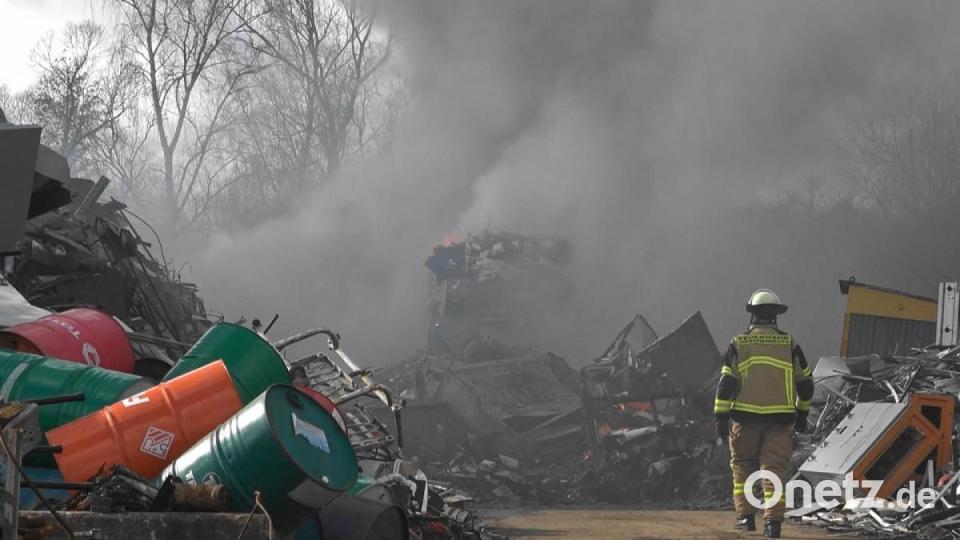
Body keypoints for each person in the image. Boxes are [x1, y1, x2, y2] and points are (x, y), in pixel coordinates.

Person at [714, 289, 814, 538]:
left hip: (744, 419)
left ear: (753, 314)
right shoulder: (789, 343)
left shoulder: (739, 343)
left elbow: (726, 385)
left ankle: (746, 518)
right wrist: (802, 415)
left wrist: (720, 419)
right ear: (775, 316)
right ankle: (773, 524)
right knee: (774, 470)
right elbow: (806, 384)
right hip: (780, 421)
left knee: (742, 467)